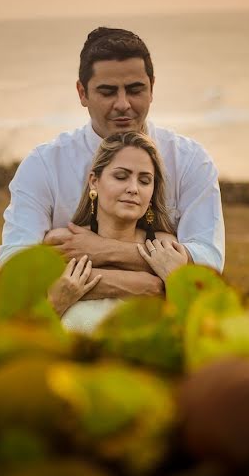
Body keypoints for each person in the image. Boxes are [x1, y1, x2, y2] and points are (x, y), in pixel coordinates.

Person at [0, 26, 225, 299]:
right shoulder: (43, 164)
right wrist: (149, 286)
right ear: (82, 93)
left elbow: (208, 261)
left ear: (152, 88)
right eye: (107, 92)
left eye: (135, 89)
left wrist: (100, 250)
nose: (123, 104)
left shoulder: (191, 161)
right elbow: (13, 263)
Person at [47, 131, 187, 333]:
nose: (133, 188)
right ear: (94, 181)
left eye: (145, 181)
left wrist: (174, 283)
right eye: (121, 176)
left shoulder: (166, 248)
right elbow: (29, 333)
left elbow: (186, 328)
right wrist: (56, 303)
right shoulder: (62, 244)